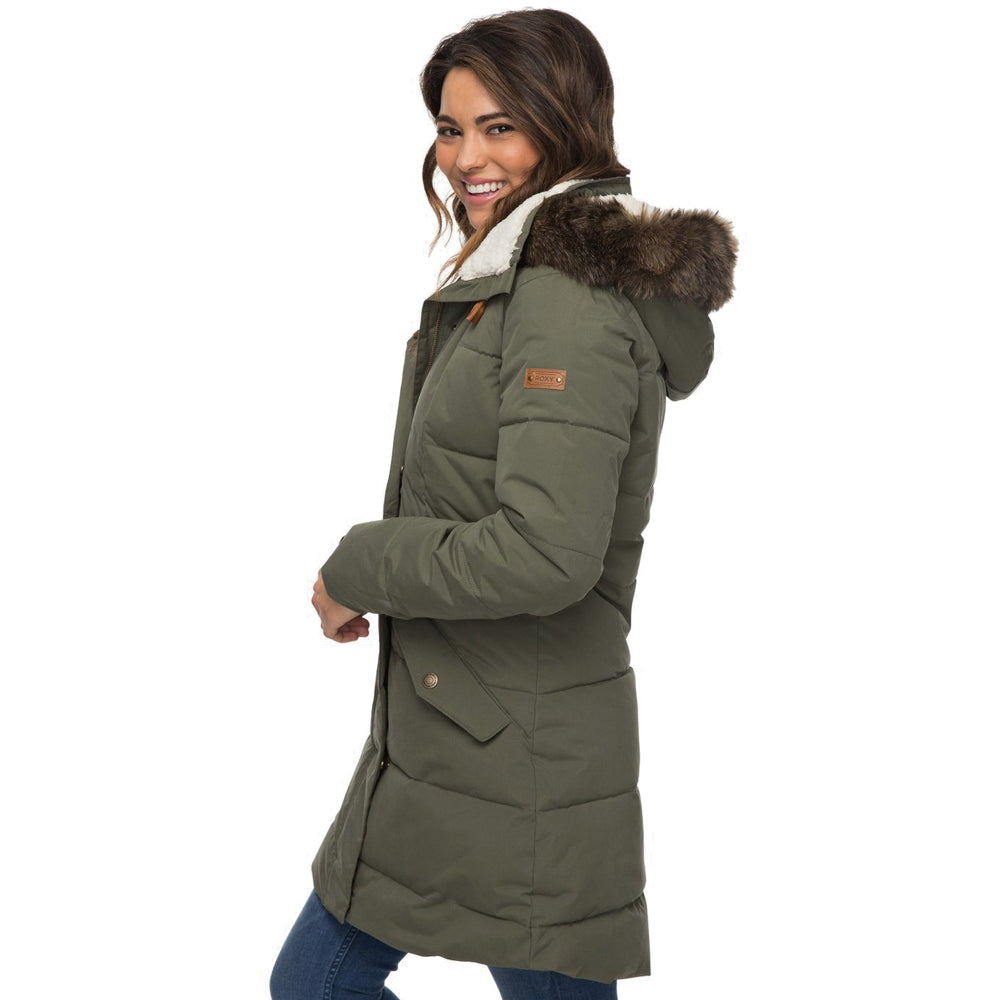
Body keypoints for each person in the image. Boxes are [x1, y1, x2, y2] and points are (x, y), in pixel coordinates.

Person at [270, 9, 737, 999]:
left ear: (566, 125)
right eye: (450, 128)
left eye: (500, 126)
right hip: (468, 731)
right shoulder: (515, 276)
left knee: (314, 984)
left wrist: (362, 563)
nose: (466, 158)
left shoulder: (561, 296)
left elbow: (546, 551)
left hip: (516, 754)